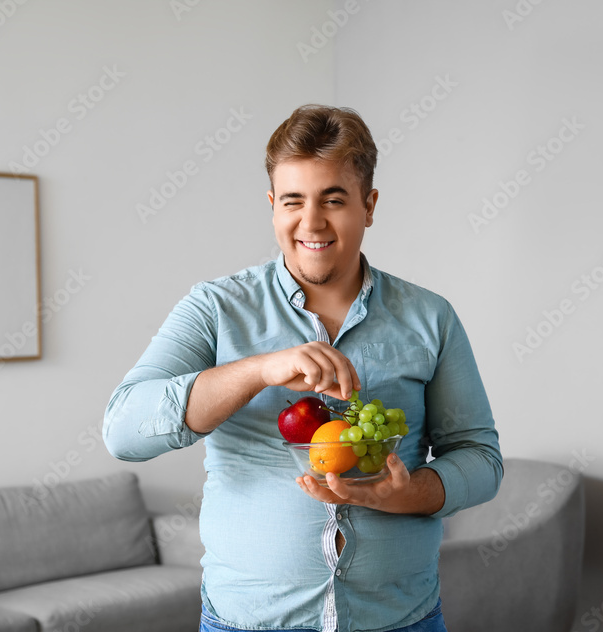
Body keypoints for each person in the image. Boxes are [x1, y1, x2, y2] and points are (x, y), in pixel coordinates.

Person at [103, 104, 502, 632]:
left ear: (369, 204)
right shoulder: (216, 308)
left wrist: (408, 494)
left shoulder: (431, 317)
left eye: (333, 200)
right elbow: (124, 430)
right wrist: (258, 371)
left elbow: (481, 458)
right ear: (272, 205)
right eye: (293, 201)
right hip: (247, 622)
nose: (311, 222)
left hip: (401, 620)